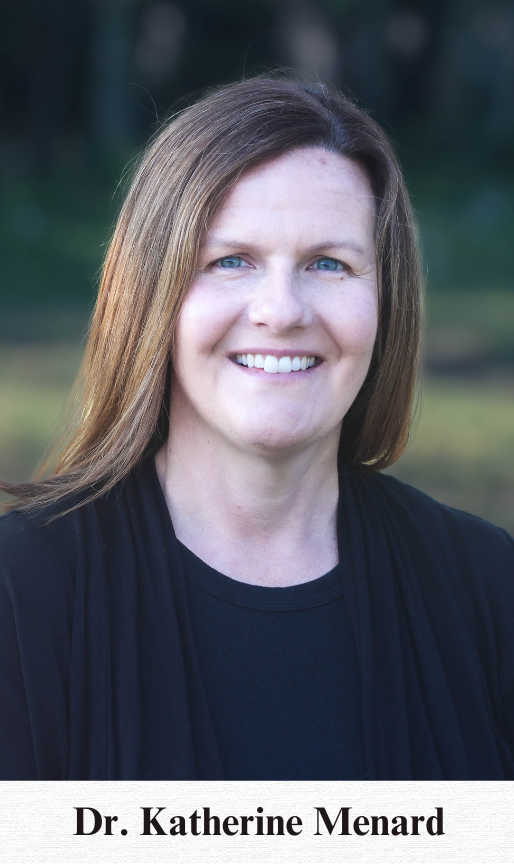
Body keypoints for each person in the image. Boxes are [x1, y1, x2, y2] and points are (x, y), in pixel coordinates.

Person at [1, 76, 513, 781]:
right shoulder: (20, 591)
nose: (281, 310)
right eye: (231, 261)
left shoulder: (488, 587)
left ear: (386, 302)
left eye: (329, 264)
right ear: (153, 292)